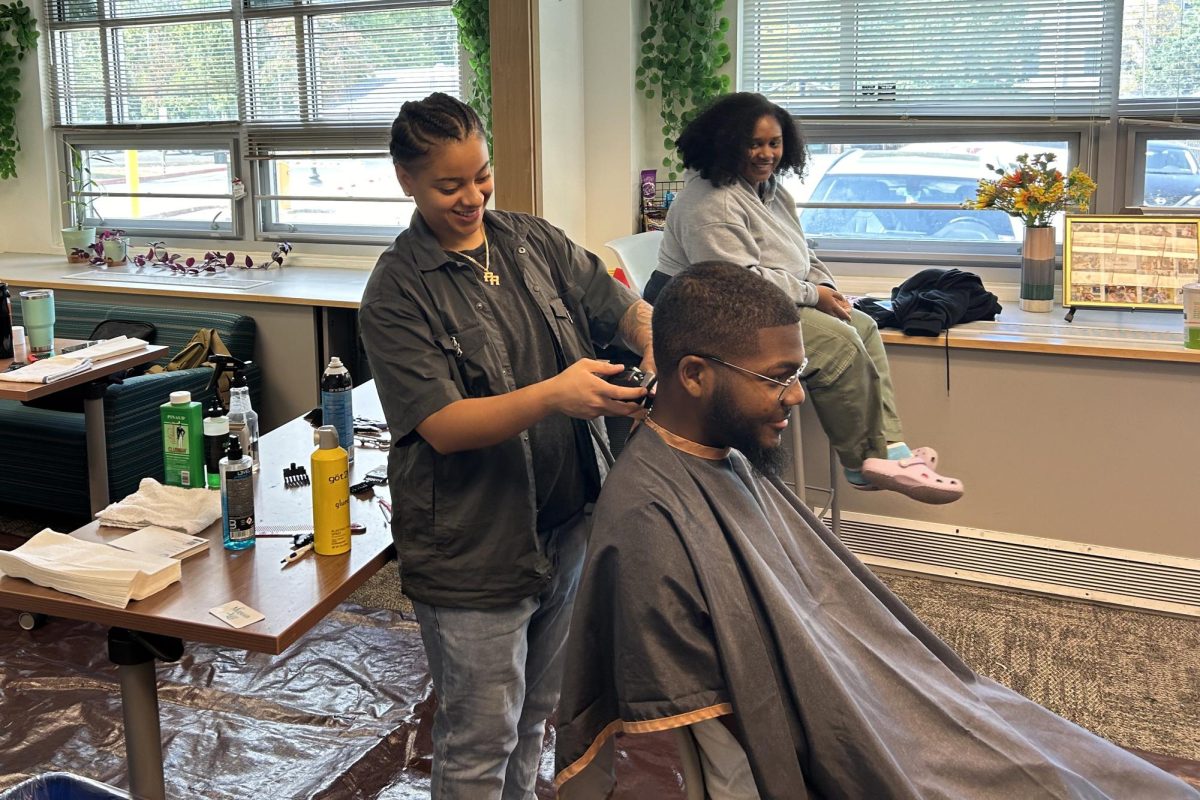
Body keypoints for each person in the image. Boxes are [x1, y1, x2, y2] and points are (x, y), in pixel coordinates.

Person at [554, 263, 1199, 800]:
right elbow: (720, 755)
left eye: (797, 376)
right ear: (695, 374)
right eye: (778, 379)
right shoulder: (648, 513)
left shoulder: (722, 449)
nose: (797, 398)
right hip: (857, 735)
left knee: (1059, 752)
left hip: (875, 693)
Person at [359, 92, 654, 800]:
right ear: (406, 179)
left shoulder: (532, 241)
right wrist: (555, 395)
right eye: (449, 185)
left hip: (563, 530)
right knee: (479, 739)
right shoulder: (397, 293)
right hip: (472, 553)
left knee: (535, 719)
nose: (473, 198)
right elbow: (444, 426)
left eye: (482, 176)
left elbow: (624, 306)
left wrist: (658, 346)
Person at [649, 91, 963, 504]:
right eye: (754, 143)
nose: (766, 154)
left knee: (862, 324)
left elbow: (801, 252)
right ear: (724, 143)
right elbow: (737, 280)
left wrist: (826, 288)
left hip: (760, 302)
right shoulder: (712, 203)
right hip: (710, 311)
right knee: (838, 346)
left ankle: (890, 450)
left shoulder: (772, 191)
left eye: (774, 143)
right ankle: (862, 464)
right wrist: (813, 295)